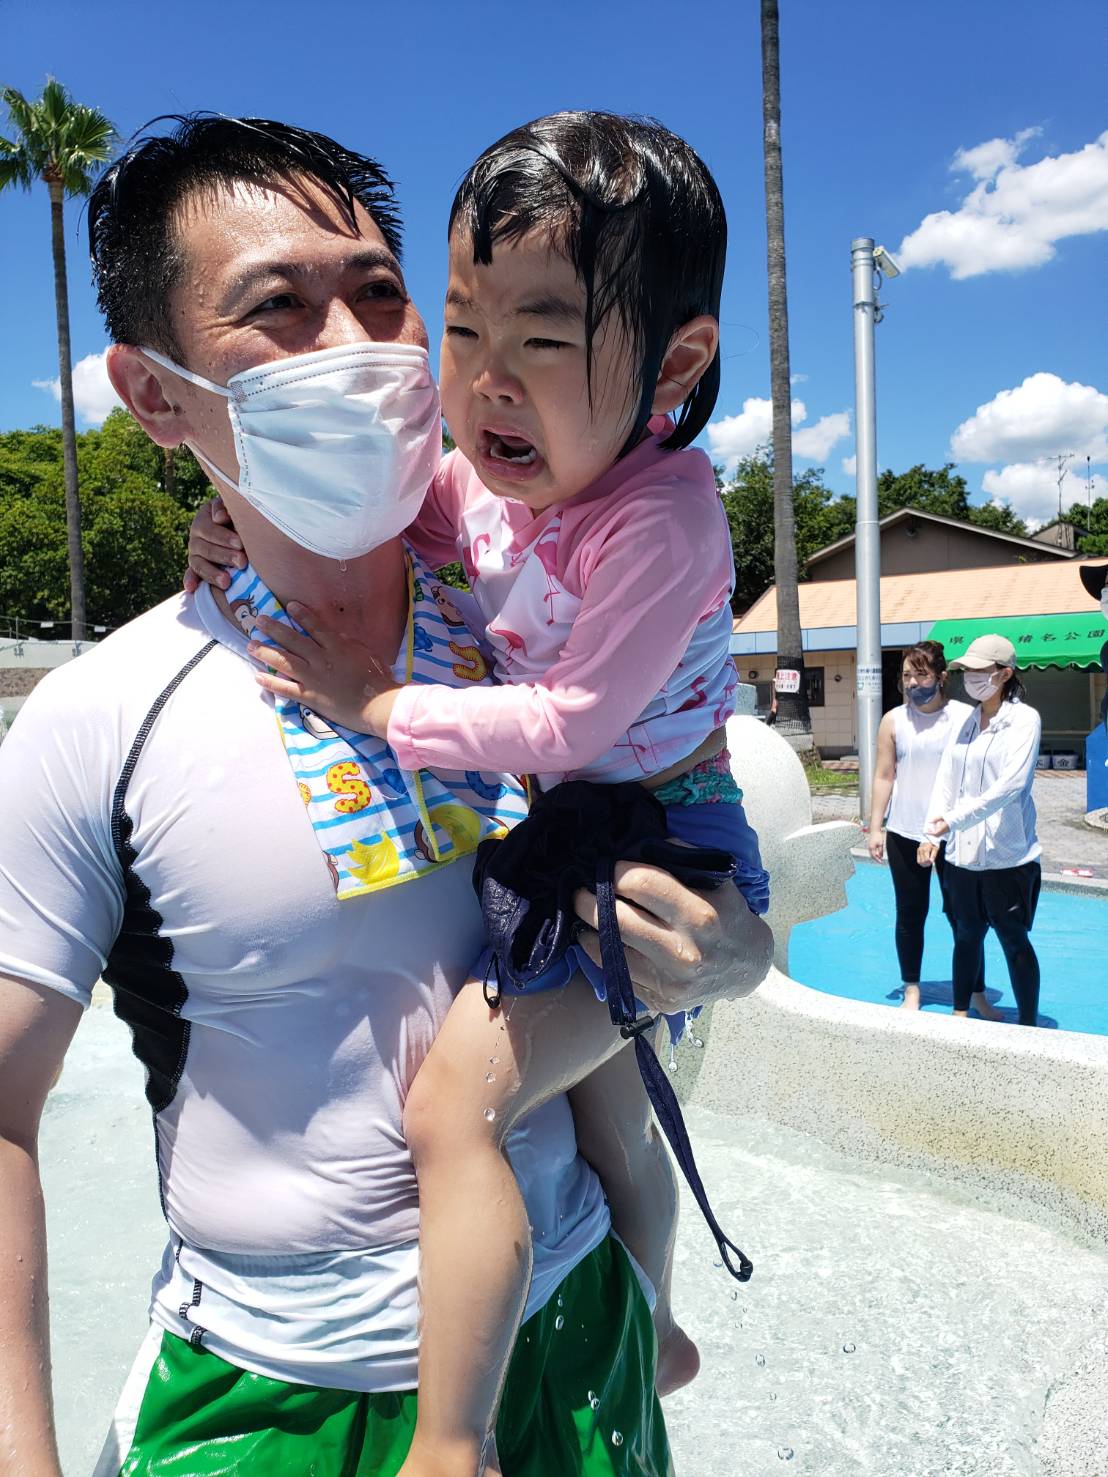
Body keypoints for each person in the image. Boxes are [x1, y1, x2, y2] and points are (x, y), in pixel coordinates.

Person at [0, 116, 774, 1477]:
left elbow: (664, 844)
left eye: (376, 290)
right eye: (278, 307)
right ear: (156, 396)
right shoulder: (101, 718)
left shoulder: (516, 610)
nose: (354, 345)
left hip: (578, 1331)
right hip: (275, 1389)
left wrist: (736, 956)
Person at [866, 641, 998, 1016]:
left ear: (941, 677)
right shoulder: (893, 721)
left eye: (921, 675)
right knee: (910, 913)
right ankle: (912, 989)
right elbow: (884, 775)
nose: (912, 682)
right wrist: (876, 827)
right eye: (907, 675)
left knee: (965, 918)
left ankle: (975, 992)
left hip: (954, 834)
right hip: (905, 832)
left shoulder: (965, 717)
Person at [920, 634, 1043, 1027]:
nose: (970, 677)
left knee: (1014, 940)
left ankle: (1028, 1025)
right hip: (963, 855)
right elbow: (946, 780)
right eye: (967, 671)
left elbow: (1012, 785)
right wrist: (932, 834)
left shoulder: (1024, 720)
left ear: (1004, 674)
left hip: (1008, 857)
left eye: (979, 670)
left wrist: (954, 819)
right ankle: (961, 1013)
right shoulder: (967, 722)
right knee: (966, 935)